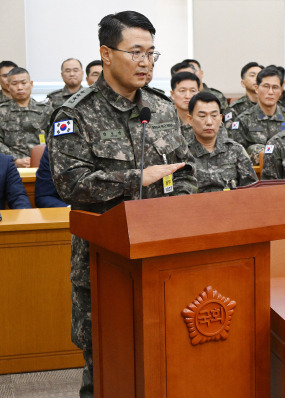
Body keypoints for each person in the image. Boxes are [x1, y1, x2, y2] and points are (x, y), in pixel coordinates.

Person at [47, 11, 197, 397]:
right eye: (135, 51)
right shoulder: (75, 114)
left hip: (163, 253)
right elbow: (70, 185)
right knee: (105, 365)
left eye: (151, 52)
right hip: (104, 259)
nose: (145, 61)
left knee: (165, 355)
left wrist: (179, 208)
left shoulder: (162, 109)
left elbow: (184, 172)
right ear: (107, 53)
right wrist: (135, 178)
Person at [186, 91, 257, 192]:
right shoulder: (182, 153)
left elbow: (252, 189)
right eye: (202, 116)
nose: (209, 122)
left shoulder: (236, 150)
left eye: (214, 116)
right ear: (190, 119)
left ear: (220, 119)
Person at [229, 66, 285, 164]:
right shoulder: (243, 120)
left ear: (281, 90)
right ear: (256, 88)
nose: (270, 92)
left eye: (275, 87)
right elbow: (235, 155)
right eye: (266, 86)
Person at [0, 67, 52, 167]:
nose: (19, 87)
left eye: (23, 83)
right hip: (10, 166)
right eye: (15, 84)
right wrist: (15, 159)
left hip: (42, 165)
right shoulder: (2, 111)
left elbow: (54, 140)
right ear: (8, 86)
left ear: (31, 84)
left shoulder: (46, 110)